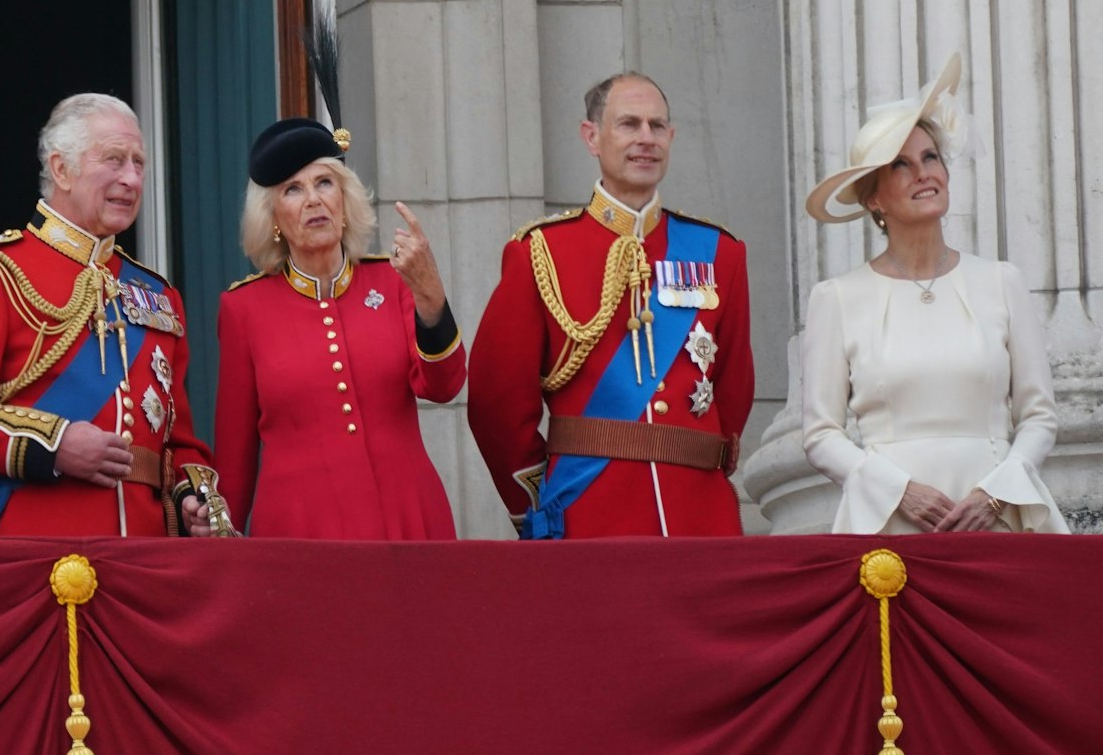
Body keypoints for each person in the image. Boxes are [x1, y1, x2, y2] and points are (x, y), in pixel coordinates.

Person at [0, 93, 223, 537]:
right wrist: (53, 446)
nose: (131, 178)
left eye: (138, 162)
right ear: (61, 169)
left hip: (144, 554)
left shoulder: (158, 295)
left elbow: (177, 444)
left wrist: (189, 499)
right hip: (31, 546)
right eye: (113, 160)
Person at [467, 73, 754, 538]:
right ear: (591, 137)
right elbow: (496, 407)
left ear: (672, 137)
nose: (646, 138)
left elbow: (734, 388)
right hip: (589, 514)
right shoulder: (540, 253)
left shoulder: (720, 252)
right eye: (628, 124)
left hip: (700, 516)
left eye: (657, 126)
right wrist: (539, 505)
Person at [801, 55, 1068, 534]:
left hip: (996, 517)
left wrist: (996, 494)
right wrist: (897, 490)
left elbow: (1039, 416)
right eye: (900, 165)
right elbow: (821, 434)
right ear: (873, 199)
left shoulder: (1002, 282)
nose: (923, 172)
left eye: (930, 157)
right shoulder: (837, 298)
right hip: (889, 523)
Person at [213, 119, 466, 538]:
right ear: (273, 217)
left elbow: (444, 387)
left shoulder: (392, 281)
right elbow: (235, 459)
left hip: (407, 520)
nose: (313, 200)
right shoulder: (244, 308)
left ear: (345, 201)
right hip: (300, 535)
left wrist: (430, 295)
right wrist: (226, 551)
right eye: (293, 189)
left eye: (324, 183)